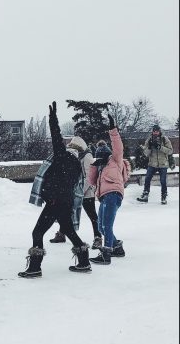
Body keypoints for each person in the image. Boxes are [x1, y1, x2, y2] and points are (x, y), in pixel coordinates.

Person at [19, 102, 90, 278]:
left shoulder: (62, 157)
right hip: (65, 202)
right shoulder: (76, 165)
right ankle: (84, 261)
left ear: (70, 148)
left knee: (37, 232)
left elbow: (56, 137)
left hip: (55, 203)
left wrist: (53, 118)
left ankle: (35, 267)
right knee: (70, 232)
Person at [88, 116, 130, 265]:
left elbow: (118, 146)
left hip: (113, 194)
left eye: (103, 155)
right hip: (104, 197)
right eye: (99, 156)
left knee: (107, 225)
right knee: (101, 227)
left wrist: (113, 130)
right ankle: (117, 247)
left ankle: (106, 254)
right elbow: (91, 181)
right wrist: (94, 166)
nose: (102, 158)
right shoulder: (100, 168)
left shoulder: (115, 160)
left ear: (108, 154)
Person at [49, 135, 103, 249]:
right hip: (74, 190)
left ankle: (98, 237)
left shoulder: (87, 156)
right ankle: (62, 234)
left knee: (92, 215)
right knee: (66, 213)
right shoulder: (74, 156)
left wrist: (80, 191)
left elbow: (89, 176)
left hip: (86, 192)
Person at [137, 124, 174, 205]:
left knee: (163, 181)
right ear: (152, 131)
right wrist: (149, 147)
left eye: (157, 131)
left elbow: (170, 151)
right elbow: (146, 153)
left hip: (163, 164)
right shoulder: (149, 140)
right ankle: (145, 195)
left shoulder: (164, 139)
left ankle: (163, 197)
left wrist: (160, 147)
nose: (155, 133)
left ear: (159, 131)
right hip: (152, 164)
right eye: (154, 131)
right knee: (147, 179)